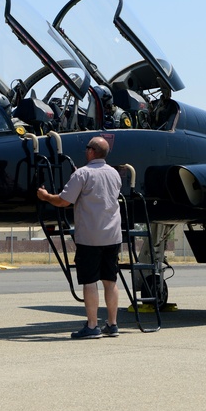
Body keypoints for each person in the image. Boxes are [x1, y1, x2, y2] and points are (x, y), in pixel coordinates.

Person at [37, 136, 122, 339]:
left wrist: (45, 196)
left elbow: (64, 201)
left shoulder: (82, 174)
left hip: (90, 237)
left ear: (92, 151)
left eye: (87, 148)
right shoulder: (115, 174)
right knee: (110, 281)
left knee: (90, 281)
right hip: (112, 236)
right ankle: (112, 324)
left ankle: (92, 326)